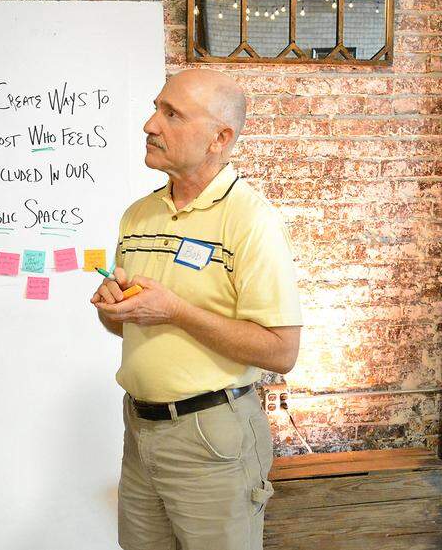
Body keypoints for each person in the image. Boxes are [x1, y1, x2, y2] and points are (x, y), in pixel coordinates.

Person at [91, 69, 303, 549]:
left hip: (214, 438)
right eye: (156, 107)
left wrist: (176, 311)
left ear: (219, 138)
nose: (150, 124)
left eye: (171, 114)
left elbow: (281, 351)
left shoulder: (252, 220)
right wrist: (113, 309)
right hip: (139, 430)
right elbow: (127, 323)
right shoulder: (138, 215)